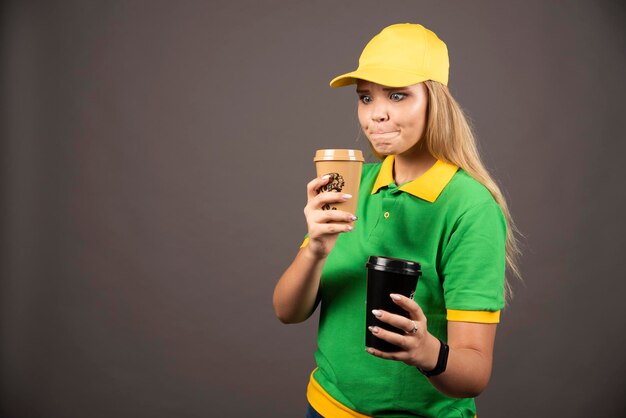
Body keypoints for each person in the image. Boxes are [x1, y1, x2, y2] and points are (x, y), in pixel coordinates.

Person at [273, 23, 521, 418]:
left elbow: (475, 373)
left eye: (398, 95)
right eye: (366, 97)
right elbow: (287, 311)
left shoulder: (470, 207)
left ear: (435, 102)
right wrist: (315, 250)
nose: (377, 114)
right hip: (325, 408)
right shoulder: (353, 183)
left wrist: (428, 353)